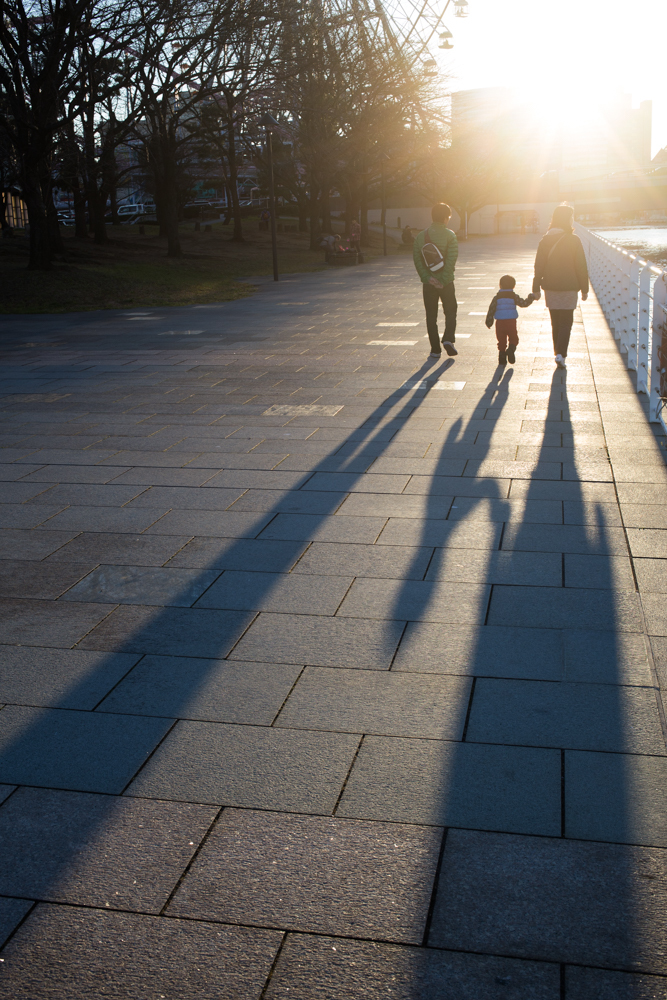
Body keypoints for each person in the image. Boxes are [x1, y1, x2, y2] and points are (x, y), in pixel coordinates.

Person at [532, 204, 589, 369]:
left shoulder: (545, 240)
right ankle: (560, 354)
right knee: (566, 321)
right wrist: (584, 289)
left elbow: (539, 266)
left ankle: (557, 352)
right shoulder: (574, 240)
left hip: (550, 287)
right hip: (570, 287)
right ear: (567, 219)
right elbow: (581, 267)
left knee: (555, 321)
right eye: (571, 217)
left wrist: (536, 288)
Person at [412, 203, 459, 359]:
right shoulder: (450, 235)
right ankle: (448, 339)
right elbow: (451, 260)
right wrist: (443, 280)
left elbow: (417, 260)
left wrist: (428, 278)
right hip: (446, 284)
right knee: (451, 311)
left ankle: (435, 349)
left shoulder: (420, 236)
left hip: (429, 284)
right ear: (446, 218)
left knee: (431, 316)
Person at [485, 275, 535, 366]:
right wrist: (531, 297)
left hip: (500, 322)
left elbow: (491, 309)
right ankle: (511, 349)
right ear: (513, 286)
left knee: (501, 340)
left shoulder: (497, 297)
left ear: (500, 285)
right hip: (511, 322)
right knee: (513, 338)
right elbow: (524, 303)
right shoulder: (513, 296)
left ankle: (502, 357)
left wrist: (489, 321)